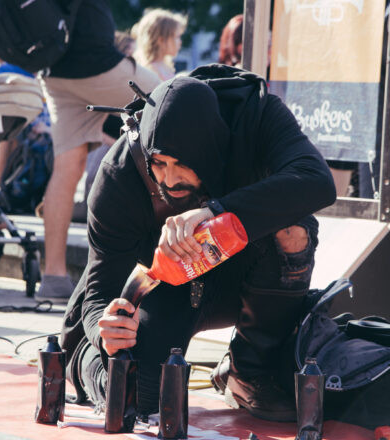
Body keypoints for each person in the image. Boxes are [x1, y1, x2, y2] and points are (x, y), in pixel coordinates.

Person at [60, 64, 336, 422]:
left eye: (182, 164)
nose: (169, 179)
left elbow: (317, 182)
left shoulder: (255, 115)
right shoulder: (120, 175)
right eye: (158, 163)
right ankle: (87, 363)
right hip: (158, 288)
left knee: (294, 230)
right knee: (136, 396)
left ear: (212, 147)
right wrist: (106, 331)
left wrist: (215, 212)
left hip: (239, 278)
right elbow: (100, 291)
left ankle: (249, 373)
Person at [35, 0, 160, 303]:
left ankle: (53, 277)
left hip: (54, 72)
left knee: (67, 167)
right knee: (173, 97)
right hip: (96, 64)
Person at [133, 8, 186, 81]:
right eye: (177, 37)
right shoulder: (151, 70)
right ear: (161, 40)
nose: (180, 41)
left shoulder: (165, 66)